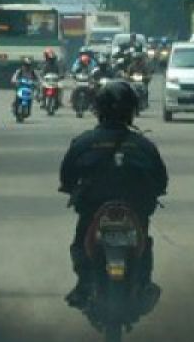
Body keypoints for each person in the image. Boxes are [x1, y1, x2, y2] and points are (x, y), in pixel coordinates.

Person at [59, 80, 168, 308]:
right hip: (135, 208)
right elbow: (161, 179)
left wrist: (71, 188)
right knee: (144, 242)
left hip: (93, 208)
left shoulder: (84, 142)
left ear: (99, 109)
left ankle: (85, 284)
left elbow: (66, 173)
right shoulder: (143, 145)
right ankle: (142, 283)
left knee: (81, 242)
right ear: (131, 111)